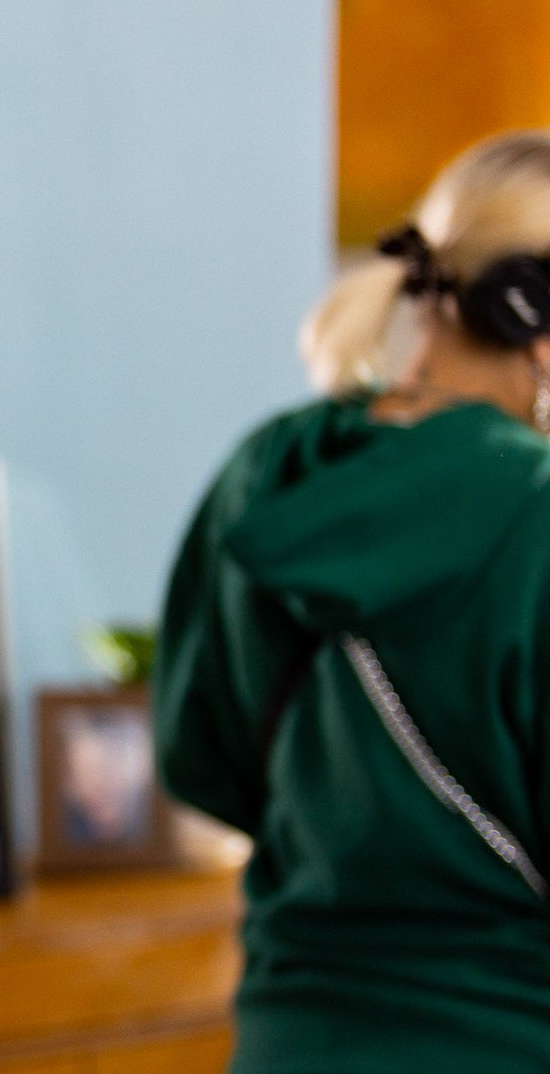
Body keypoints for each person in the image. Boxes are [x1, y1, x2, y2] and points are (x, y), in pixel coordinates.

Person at [154, 132, 550, 1073]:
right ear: (532, 306)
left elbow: (198, 758)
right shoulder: (534, 512)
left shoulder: (269, 470)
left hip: (290, 1034)